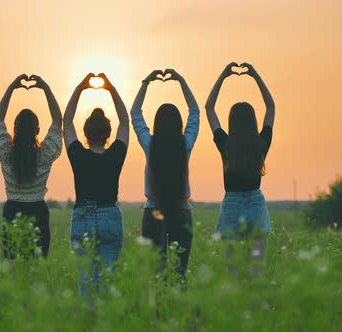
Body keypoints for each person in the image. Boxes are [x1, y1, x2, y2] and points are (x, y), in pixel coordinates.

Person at [205, 62, 276, 269]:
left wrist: (223, 75)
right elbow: (271, 107)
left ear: (231, 122)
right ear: (253, 121)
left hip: (232, 205)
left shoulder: (226, 145)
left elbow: (209, 107)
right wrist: (255, 75)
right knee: (256, 270)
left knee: (232, 270)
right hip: (256, 203)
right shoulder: (261, 144)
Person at [64, 73, 129, 296]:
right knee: (108, 286)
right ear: (109, 134)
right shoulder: (116, 154)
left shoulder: (77, 155)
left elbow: (66, 120)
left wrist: (81, 88)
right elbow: (125, 120)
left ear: (85, 133)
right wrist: (110, 88)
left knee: (86, 286)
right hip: (110, 216)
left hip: (83, 216)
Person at [131, 69, 200, 278]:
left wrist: (146, 82)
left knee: (156, 275)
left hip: (153, 212)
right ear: (179, 124)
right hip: (181, 211)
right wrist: (181, 81)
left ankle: (159, 311)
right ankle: (179, 309)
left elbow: (135, 112)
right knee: (180, 273)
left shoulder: (151, 144)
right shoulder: (185, 144)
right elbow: (195, 111)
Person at [0, 74, 62, 258]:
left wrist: (11, 88)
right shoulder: (45, 154)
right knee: (36, 270)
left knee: (13, 271)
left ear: (14, 129)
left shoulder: (6, 154)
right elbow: (57, 121)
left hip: (12, 210)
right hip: (38, 212)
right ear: (37, 130)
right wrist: (46, 87)